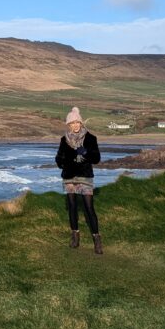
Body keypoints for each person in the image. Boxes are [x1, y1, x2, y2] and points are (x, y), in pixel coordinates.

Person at [55, 106, 103, 255]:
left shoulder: (90, 138)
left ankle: (97, 239)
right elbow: (58, 158)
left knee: (89, 208)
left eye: (77, 122)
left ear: (81, 123)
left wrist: (86, 152)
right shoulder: (64, 139)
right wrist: (63, 161)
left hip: (85, 176)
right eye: (72, 123)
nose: (75, 125)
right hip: (69, 176)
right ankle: (75, 236)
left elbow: (96, 159)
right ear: (69, 125)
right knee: (72, 206)